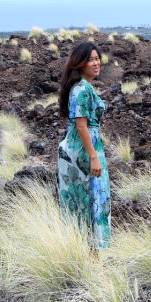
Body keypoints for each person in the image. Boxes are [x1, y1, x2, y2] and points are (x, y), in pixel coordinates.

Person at [57, 41, 111, 249]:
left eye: (97, 58)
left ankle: (86, 254)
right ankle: (91, 256)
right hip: (83, 151)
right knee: (89, 200)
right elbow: (82, 126)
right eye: (90, 59)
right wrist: (94, 157)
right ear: (79, 63)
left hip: (80, 148)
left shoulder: (81, 87)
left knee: (82, 203)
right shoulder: (82, 90)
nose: (96, 63)